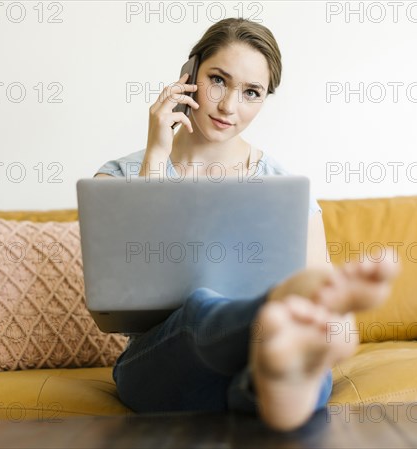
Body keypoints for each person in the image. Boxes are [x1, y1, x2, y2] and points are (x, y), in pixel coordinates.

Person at [94, 17, 400, 432]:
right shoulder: (116, 180)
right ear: (189, 75)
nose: (229, 106)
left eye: (251, 92)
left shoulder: (282, 187)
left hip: (234, 377)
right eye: (218, 80)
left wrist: (314, 298)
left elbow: (317, 286)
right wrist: (156, 158)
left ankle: (273, 373)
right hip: (164, 361)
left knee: (298, 358)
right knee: (200, 309)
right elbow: (121, 300)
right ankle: (267, 326)